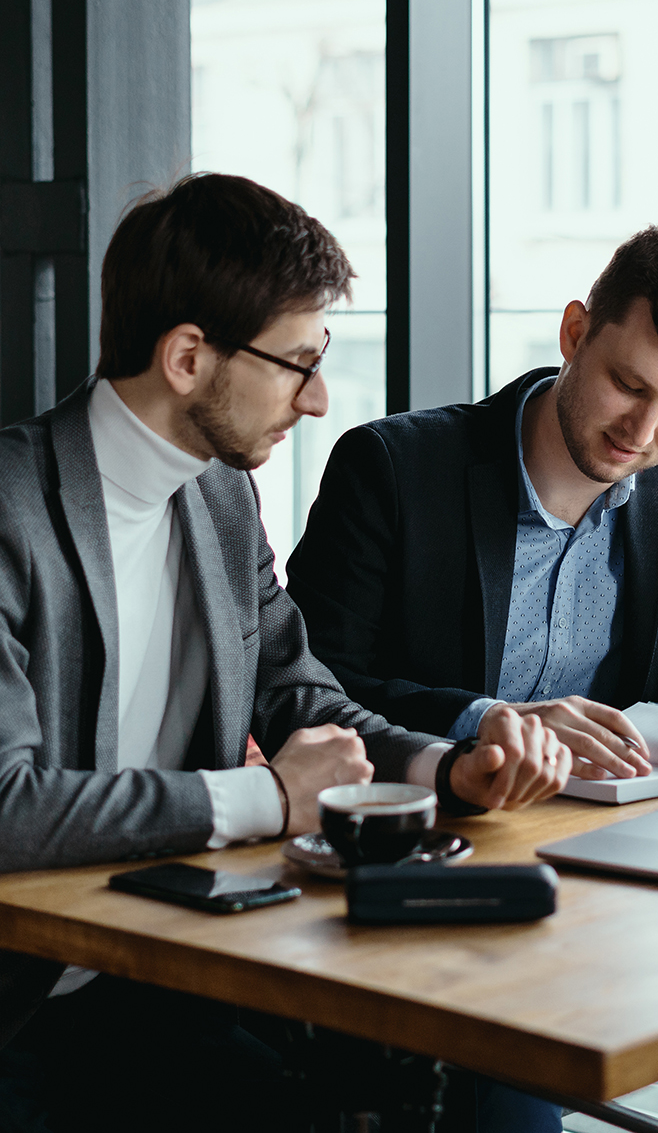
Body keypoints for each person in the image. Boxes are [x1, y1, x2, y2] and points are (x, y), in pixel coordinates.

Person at [287, 221, 658, 1132]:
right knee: (513, 1066)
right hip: (459, 864)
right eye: (629, 384)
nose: (645, 433)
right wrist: (489, 719)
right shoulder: (395, 470)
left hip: (630, 871)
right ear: (576, 331)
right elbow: (314, 686)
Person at [0, 172, 569, 1132]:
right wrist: (267, 799)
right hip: (23, 1012)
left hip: (175, 974)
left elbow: (303, 696)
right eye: (296, 363)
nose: (318, 399)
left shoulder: (220, 498)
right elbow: (7, 809)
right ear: (187, 356)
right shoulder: (13, 508)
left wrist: (446, 769)